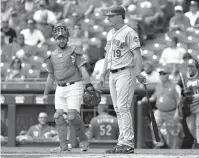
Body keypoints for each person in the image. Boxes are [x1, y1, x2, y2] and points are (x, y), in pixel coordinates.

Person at [100, 5, 146, 154]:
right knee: (118, 108)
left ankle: (127, 142)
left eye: (111, 15)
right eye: (108, 15)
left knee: (123, 106)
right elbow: (107, 55)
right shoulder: (110, 33)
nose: (108, 18)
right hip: (113, 73)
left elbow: (137, 54)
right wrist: (103, 73)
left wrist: (138, 72)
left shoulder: (129, 32)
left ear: (120, 16)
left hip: (126, 72)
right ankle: (122, 141)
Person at [43, 23, 93, 153]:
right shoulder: (52, 56)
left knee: (71, 116)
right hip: (59, 88)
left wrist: (89, 85)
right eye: (59, 38)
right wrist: (45, 93)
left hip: (74, 86)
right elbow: (50, 77)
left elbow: (83, 70)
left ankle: (83, 138)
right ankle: (64, 146)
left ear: (67, 38)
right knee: (58, 116)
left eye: (63, 37)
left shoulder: (74, 51)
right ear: (55, 39)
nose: (61, 40)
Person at [141, 65, 184, 149]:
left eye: (163, 73)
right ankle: (159, 143)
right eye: (160, 73)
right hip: (160, 111)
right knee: (154, 124)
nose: (161, 75)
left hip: (172, 111)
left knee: (174, 131)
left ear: (168, 75)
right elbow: (154, 97)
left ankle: (175, 148)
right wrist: (148, 99)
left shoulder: (175, 86)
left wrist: (177, 113)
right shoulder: (158, 85)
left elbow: (179, 100)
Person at [176, 58, 199, 149]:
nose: (190, 68)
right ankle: (198, 141)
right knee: (191, 126)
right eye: (188, 66)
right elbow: (177, 85)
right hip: (189, 104)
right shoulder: (183, 76)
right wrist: (180, 92)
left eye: (192, 66)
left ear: (196, 67)